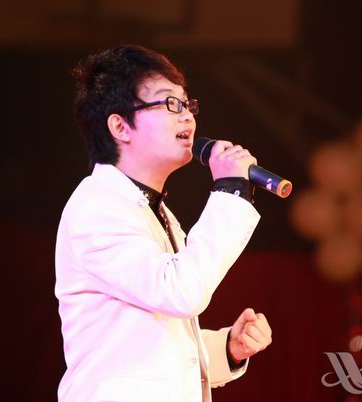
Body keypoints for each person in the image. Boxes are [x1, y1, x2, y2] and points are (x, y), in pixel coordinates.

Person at [55, 44, 272, 402]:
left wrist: (227, 349)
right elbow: (181, 293)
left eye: (187, 104)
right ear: (120, 126)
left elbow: (149, 347)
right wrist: (231, 190)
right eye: (171, 104)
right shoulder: (97, 206)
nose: (187, 117)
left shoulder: (153, 210)